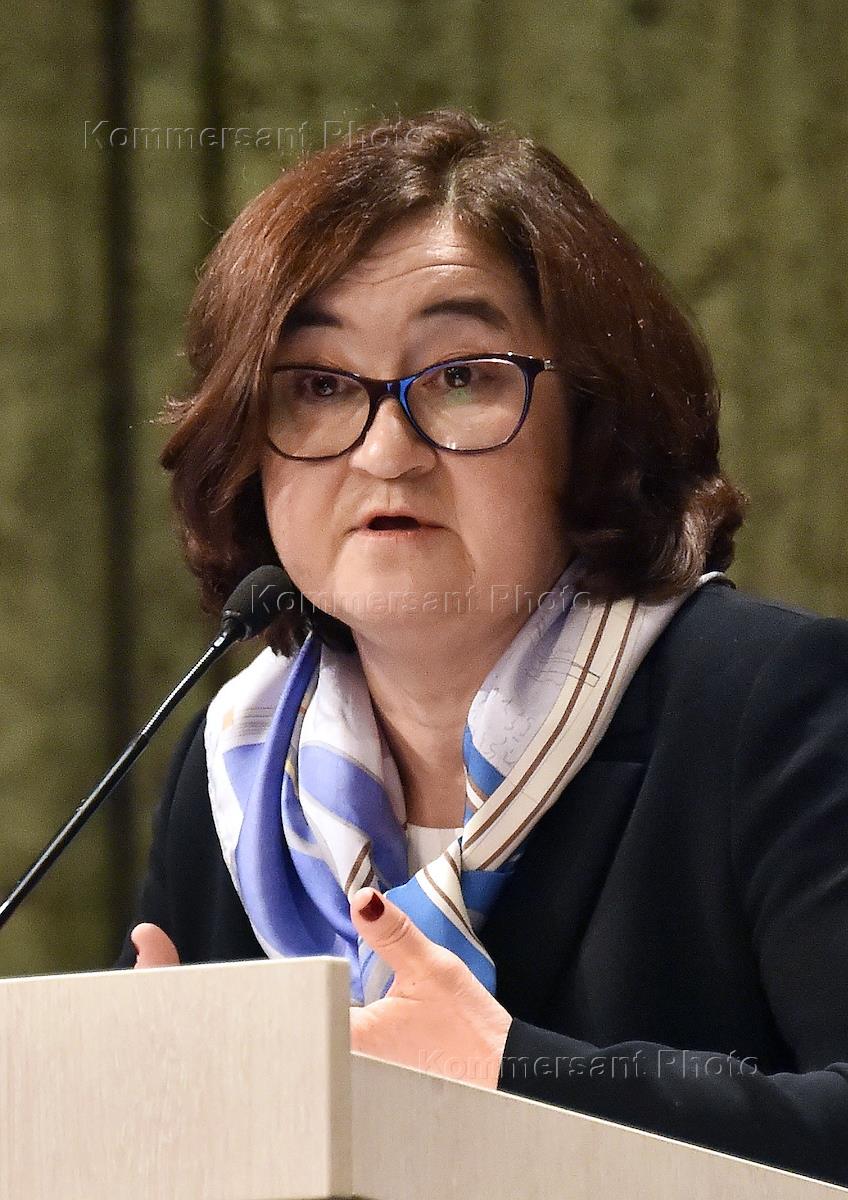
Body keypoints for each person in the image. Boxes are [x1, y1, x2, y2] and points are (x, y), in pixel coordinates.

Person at [118, 109, 848, 1185]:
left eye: (460, 375)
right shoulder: (239, 773)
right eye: (317, 384)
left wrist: (510, 1076)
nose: (385, 451)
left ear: (591, 421)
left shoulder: (763, 708)